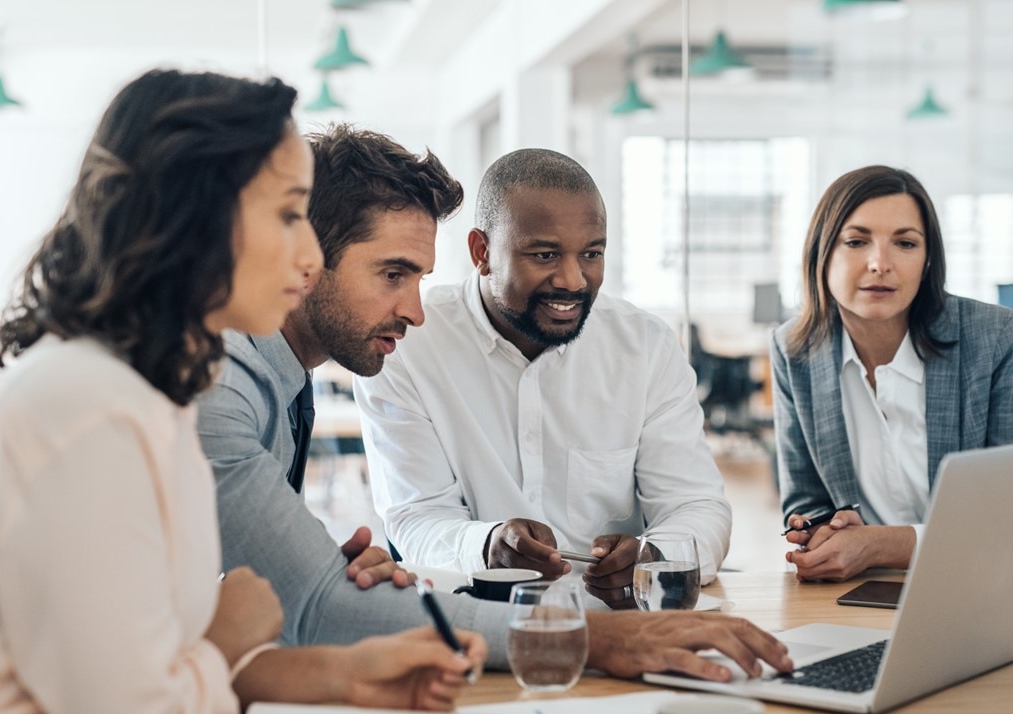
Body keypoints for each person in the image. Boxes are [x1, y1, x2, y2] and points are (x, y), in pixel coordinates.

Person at [0, 71, 482, 714]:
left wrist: (341, 673)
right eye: (289, 215)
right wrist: (228, 633)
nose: (310, 256)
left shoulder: (148, 396)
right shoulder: (88, 406)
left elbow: (142, 668)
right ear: (197, 217)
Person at [198, 126, 793, 681]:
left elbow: (283, 597)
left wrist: (334, 580)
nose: (415, 310)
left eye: (591, 253)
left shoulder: (279, 378)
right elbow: (320, 605)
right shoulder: (223, 387)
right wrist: (595, 639)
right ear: (303, 256)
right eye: (393, 274)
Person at [354, 148, 733, 611]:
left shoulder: (645, 347)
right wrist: (487, 545)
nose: (573, 280)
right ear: (482, 253)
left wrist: (654, 558)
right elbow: (416, 517)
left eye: (591, 253)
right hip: (479, 623)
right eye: (545, 254)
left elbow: (697, 507)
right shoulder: (410, 343)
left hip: (622, 626)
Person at [772, 164, 1013, 582]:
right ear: (821, 254)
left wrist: (879, 544)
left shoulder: (999, 338)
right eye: (856, 241)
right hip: (865, 590)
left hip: (991, 583)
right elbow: (807, 499)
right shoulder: (795, 349)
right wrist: (821, 530)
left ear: (926, 261)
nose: (879, 263)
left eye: (905, 243)